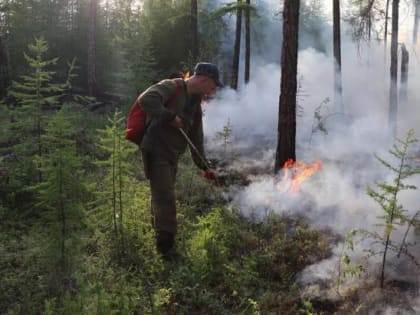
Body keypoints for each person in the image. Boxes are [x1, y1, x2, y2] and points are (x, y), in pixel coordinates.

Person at [139, 62, 222, 259]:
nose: (212, 92)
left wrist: (204, 166)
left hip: (172, 154)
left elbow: (196, 138)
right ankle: (166, 250)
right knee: (165, 195)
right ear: (204, 80)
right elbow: (146, 99)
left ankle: (159, 234)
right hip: (156, 149)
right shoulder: (171, 86)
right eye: (212, 86)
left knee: (161, 193)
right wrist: (169, 117)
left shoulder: (195, 104)